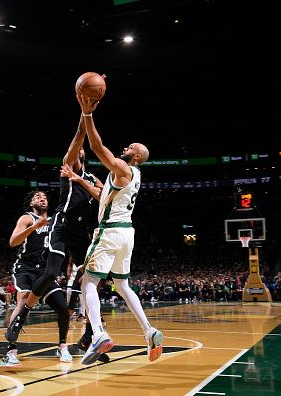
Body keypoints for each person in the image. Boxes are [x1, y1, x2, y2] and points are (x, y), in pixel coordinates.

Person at [75, 93, 164, 365]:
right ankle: (149, 330)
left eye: (130, 146)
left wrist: (87, 114)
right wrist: (79, 179)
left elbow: (97, 146)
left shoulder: (124, 168)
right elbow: (102, 193)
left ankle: (99, 334)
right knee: (123, 285)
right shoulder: (132, 176)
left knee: (88, 281)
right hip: (127, 233)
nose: (125, 147)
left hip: (110, 232)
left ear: (136, 156)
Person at [5, 113, 103, 347]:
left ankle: (89, 333)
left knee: (91, 279)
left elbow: (102, 196)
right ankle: (22, 317)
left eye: (81, 151)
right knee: (50, 273)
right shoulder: (69, 168)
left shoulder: (90, 178)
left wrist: (81, 181)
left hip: (80, 231)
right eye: (76, 151)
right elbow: (78, 139)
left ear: (85, 155)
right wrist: (84, 113)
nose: (78, 152)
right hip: (62, 224)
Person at [0, 190, 74, 367]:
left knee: (63, 308)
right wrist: (34, 227)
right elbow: (13, 242)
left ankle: (62, 345)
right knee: (23, 298)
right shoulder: (27, 218)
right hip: (25, 268)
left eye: (45, 197)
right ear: (31, 202)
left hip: (45, 271)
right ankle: (11, 350)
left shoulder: (54, 221)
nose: (42, 199)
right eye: (37, 197)